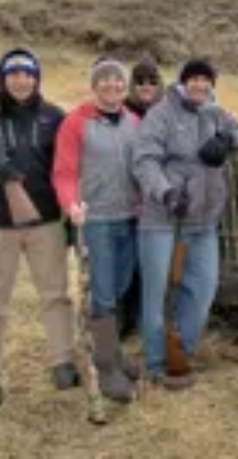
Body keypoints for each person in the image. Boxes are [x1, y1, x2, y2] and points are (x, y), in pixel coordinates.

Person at [0, 49, 79, 412]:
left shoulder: (53, 116)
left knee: (56, 296)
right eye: (12, 73)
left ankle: (63, 362)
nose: (21, 79)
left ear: (36, 77)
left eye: (28, 72)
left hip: (45, 222)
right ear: (2, 78)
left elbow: (67, 166)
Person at [132, 58, 238, 389]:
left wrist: (228, 140)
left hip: (204, 222)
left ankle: (178, 353)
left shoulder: (215, 113)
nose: (199, 85)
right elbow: (144, 161)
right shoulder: (161, 115)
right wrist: (166, 193)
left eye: (205, 80)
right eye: (193, 79)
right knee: (157, 295)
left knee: (203, 290)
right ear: (183, 82)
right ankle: (156, 365)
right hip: (164, 220)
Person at [53, 56, 140, 403]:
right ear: (94, 85)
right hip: (96, 220)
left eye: (118, 80)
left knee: (118, 287)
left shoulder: (134, 121)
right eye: (104, 79)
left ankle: (114, 354)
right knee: (102, 293)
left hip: (130, 217)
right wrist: (71, 203)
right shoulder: (77, 122)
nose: (112, 85)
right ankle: (106, 369)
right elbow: (64, 171)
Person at [118, 58, 165, 338]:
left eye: (152, 81)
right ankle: (127, 318)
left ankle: (153, 317)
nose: (146, 86)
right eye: (140, 81)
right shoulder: (122, 112)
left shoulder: (166, 112)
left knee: (156, 263)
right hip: (129, 196)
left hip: (161, 197)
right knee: (129, 262)